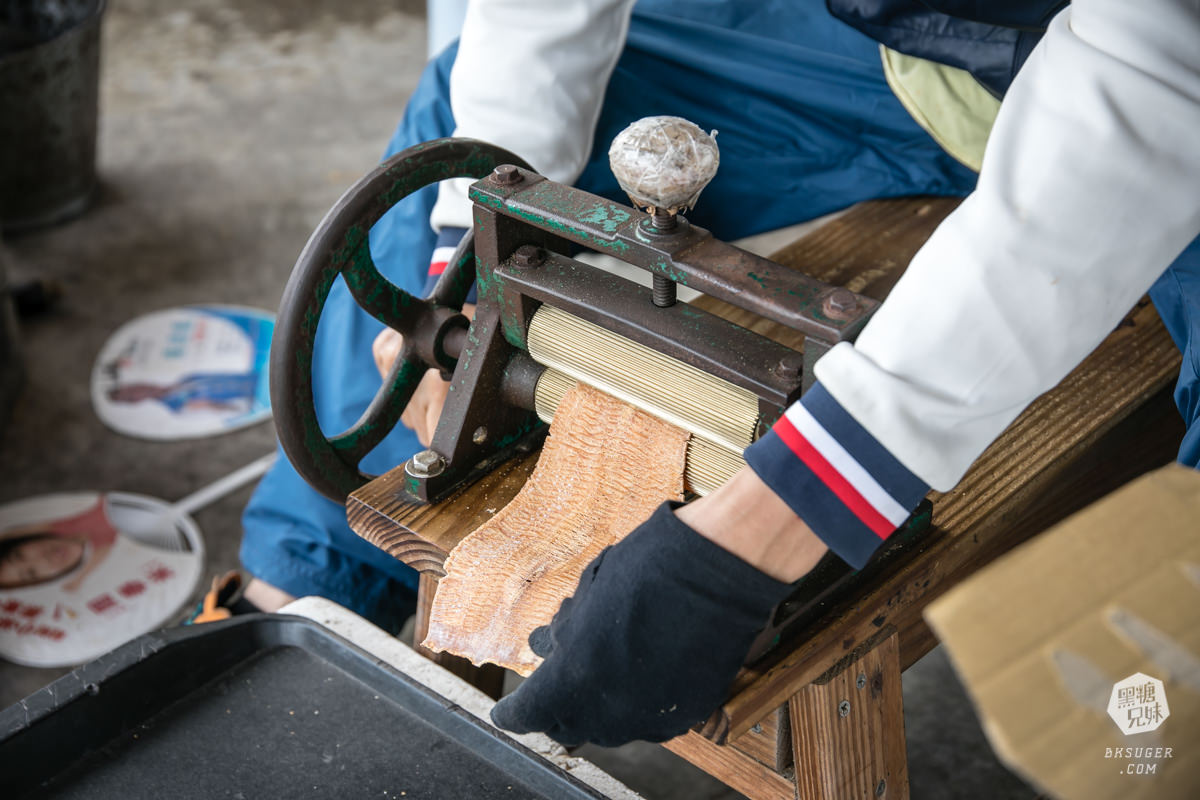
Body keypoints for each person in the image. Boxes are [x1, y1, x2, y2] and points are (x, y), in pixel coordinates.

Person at [240, 0, 1200, 745]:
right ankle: (307, 620)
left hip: (1154, 61)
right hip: (891, 51)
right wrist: (479, 276)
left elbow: (1160, 68)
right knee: (467, 143)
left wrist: (781, 515)